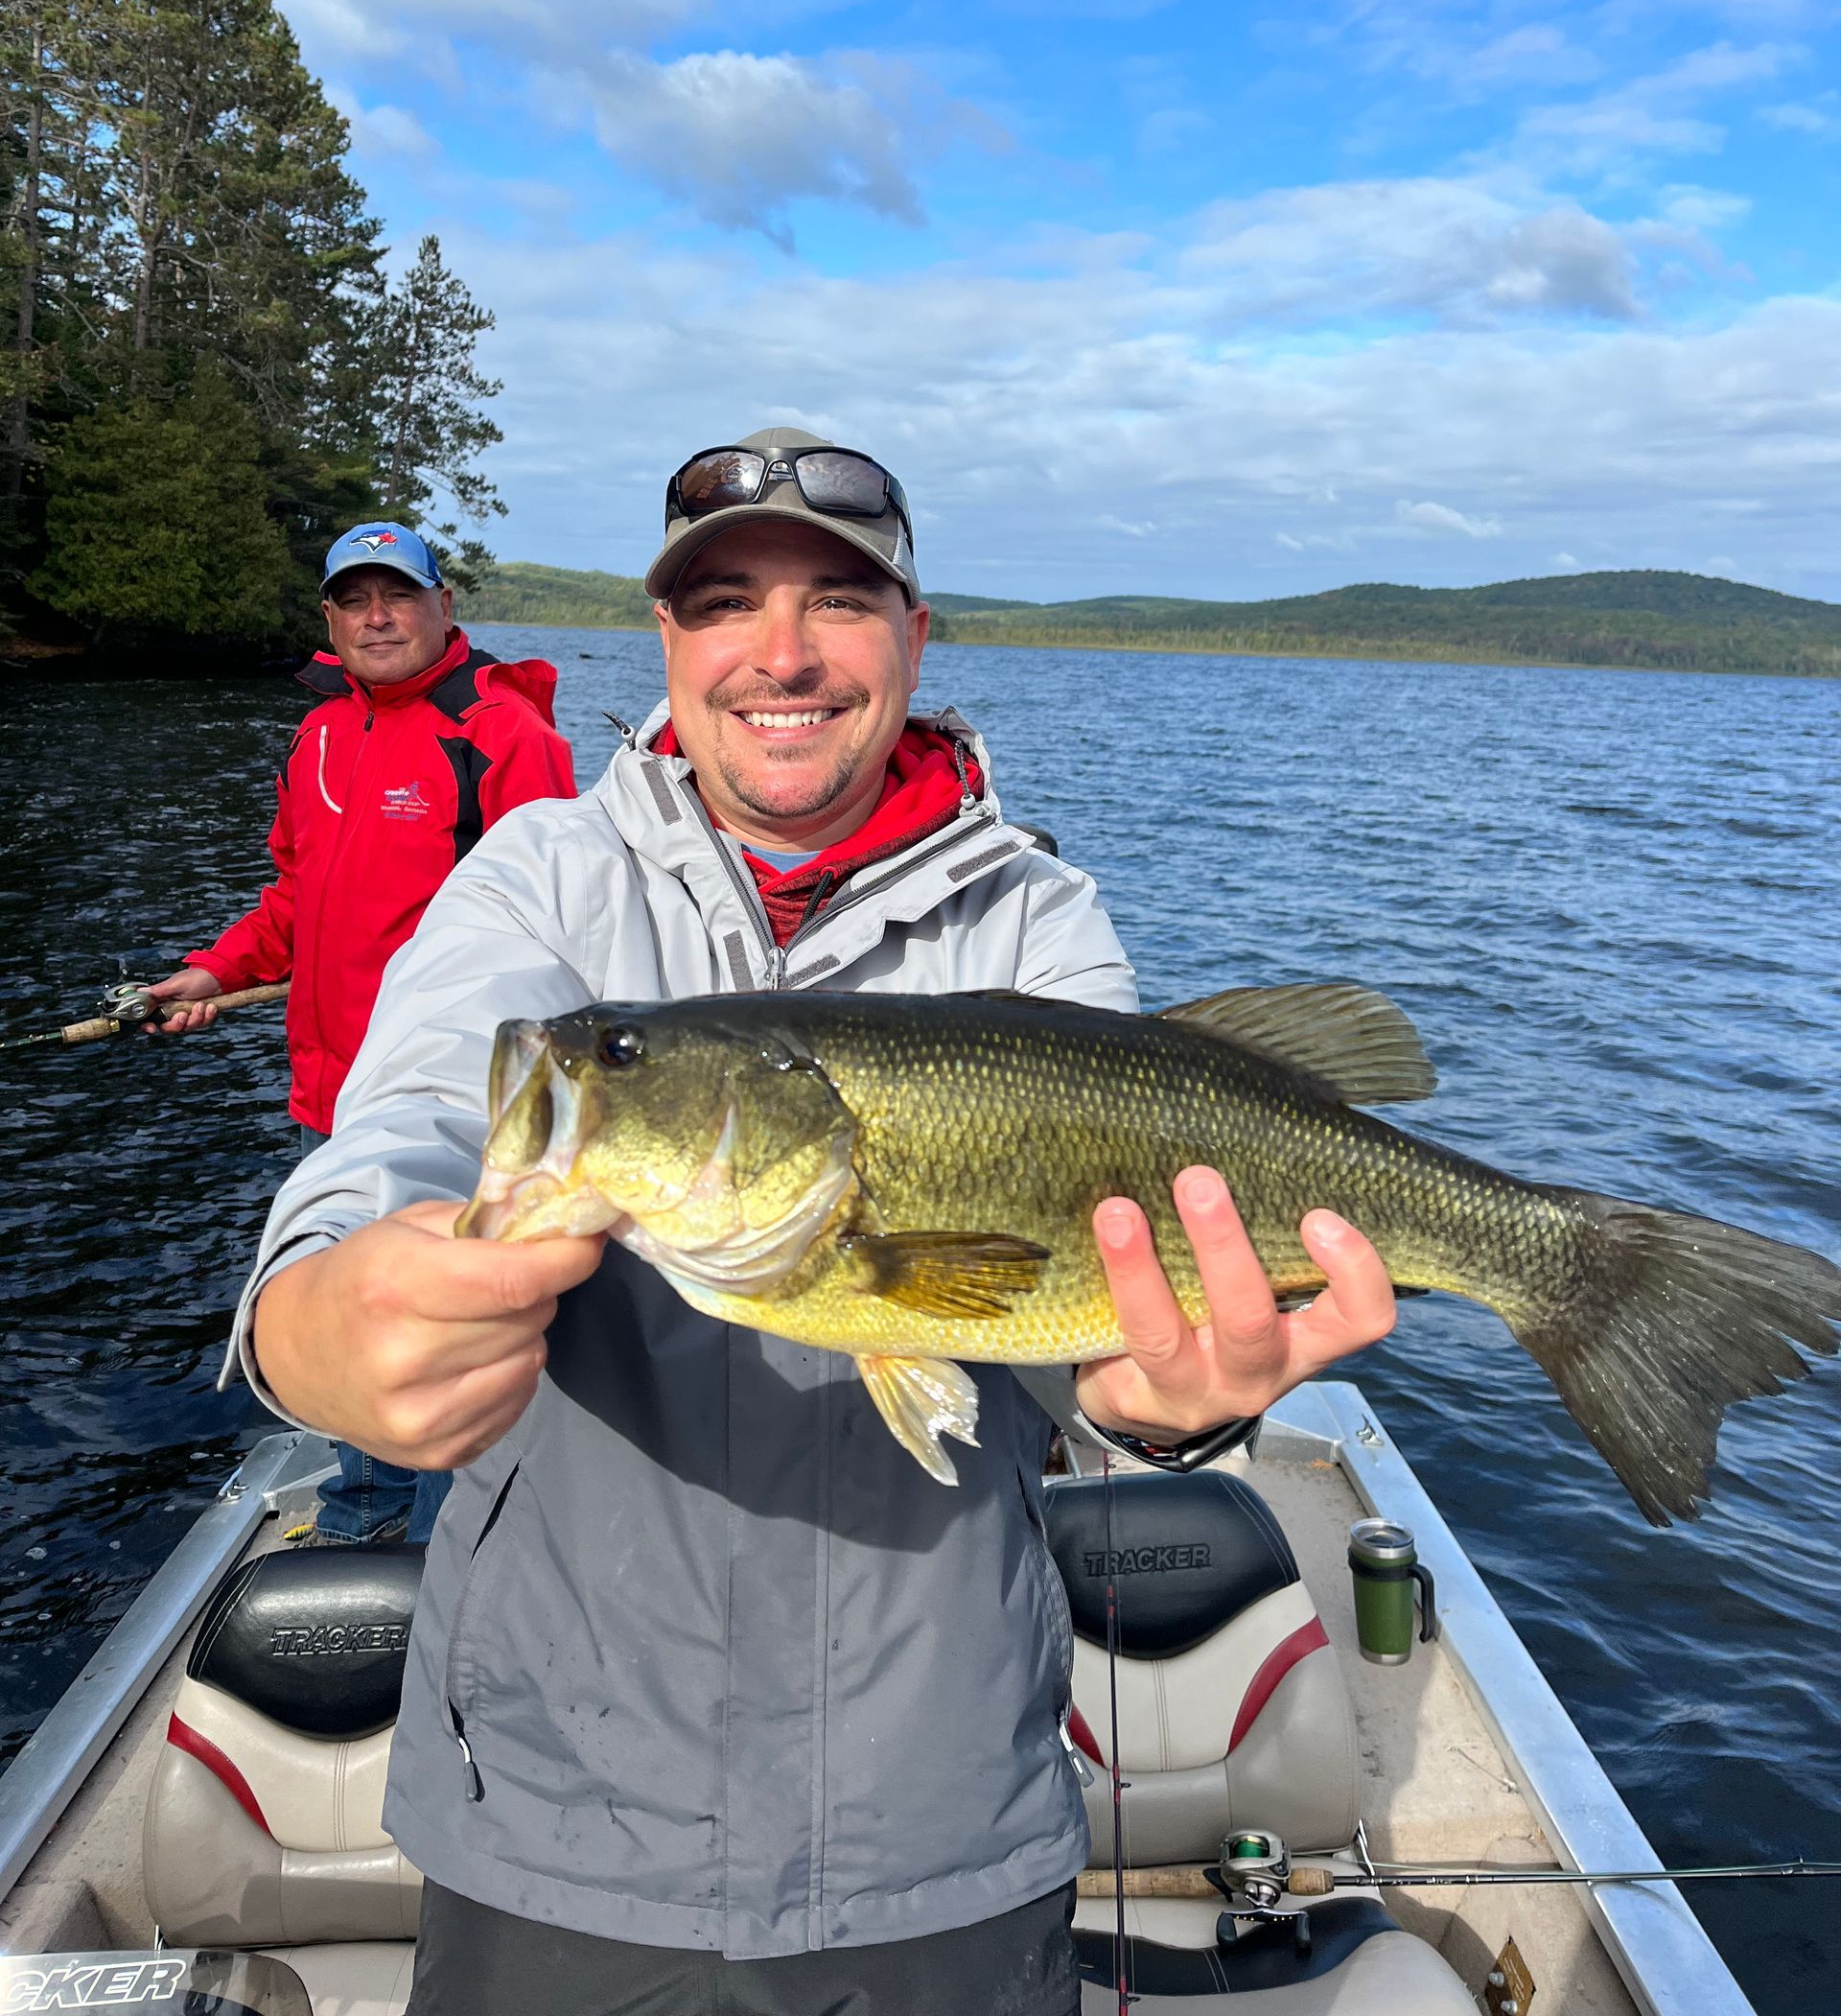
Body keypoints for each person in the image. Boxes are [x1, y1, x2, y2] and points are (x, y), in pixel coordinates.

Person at [228, 432, 1397, 2015]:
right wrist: (315, 1321)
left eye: (838, 600)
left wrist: (1165, 1405)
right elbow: (409, 1127)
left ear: (916, 635)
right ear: (666, 640)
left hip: (945, 1824)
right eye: (723, 603)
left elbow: (1092, 1348)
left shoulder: (1038, 917)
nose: (779, 654)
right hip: (553, 1815)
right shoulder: (542, 874)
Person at [153, 519, 576, 1545]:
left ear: (444, 606)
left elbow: (562, 925)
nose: (377, 617)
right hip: (329, 1100)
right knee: (358, 1328)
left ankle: (443, 1563)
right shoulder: (320, 736)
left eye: (398, 595)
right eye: (354, 599)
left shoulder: (505, 734)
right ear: (331, 620)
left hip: (455, 1113)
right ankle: (362, 1516)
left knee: (443, 1348)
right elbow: (297, 897)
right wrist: (217, 968)